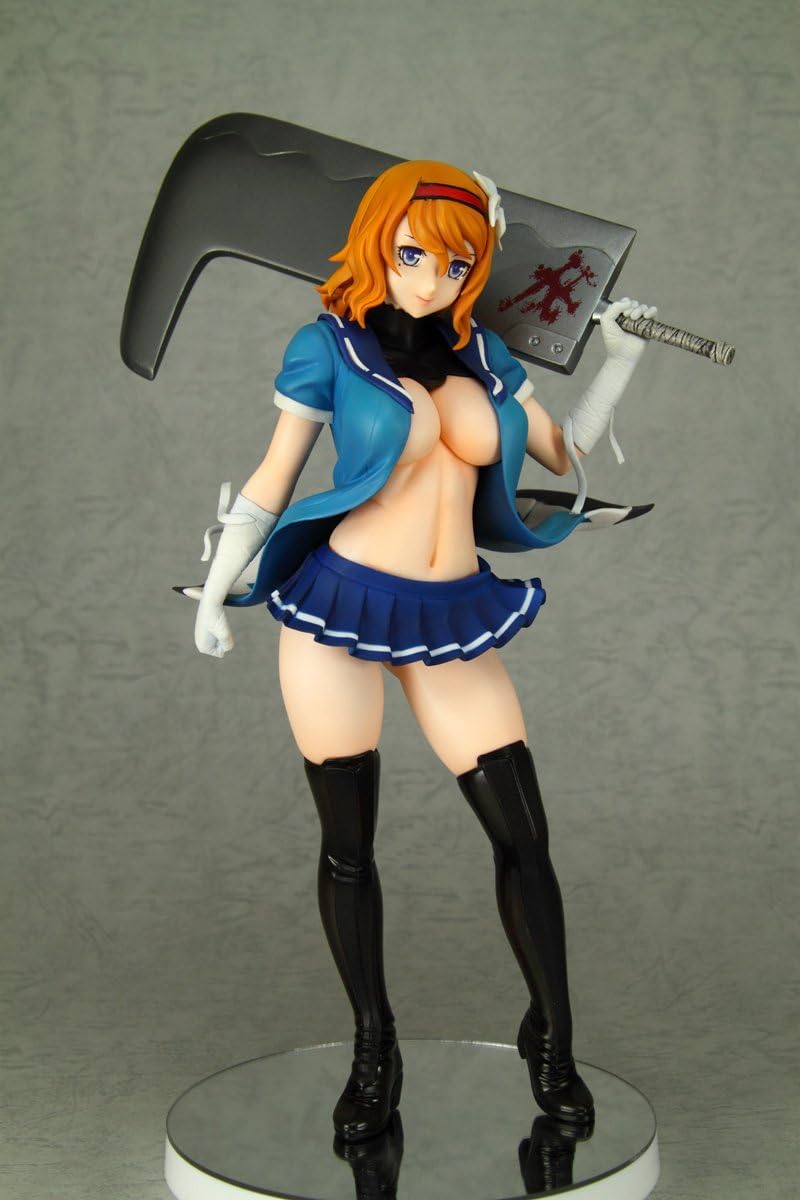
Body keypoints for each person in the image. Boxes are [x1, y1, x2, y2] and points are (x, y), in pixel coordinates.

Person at [192, 159, 654, 1142]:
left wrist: (617, 359)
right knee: (349, 846)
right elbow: (273, 478)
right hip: (337, 608)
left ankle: (552, 1038)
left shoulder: (487, 355)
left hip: (448, 615)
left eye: (454, 264)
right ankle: (375, 1049)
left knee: (523, 837)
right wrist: (224, 586)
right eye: (411, 256)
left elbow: (562, 452)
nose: (430, 280)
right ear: (377, 244)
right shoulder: (328, 347)